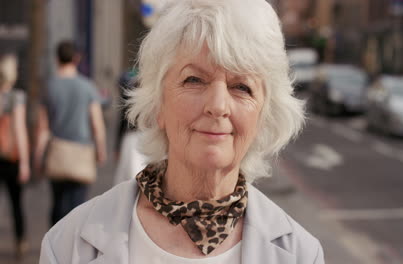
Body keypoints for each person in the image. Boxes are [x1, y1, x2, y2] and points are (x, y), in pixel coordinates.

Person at [39, 1, 325, 263]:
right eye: (195, 79)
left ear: (264, 114)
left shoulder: (302, 255)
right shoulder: (68, 244)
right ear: (158, 103)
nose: (217, 106)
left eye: (241, 87)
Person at [34, 41, 107, 226]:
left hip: (57, 152)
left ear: (57, 58)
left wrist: (37, 156)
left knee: (57, 204)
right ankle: (74, 249)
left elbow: (42, 128)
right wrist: (100, 151)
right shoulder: (88, 86)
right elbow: (97, 124)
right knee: (79, 206)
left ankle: (55, 246)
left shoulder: (49, 86)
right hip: (81, 153)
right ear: (77, 58)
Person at [0, 53, 30, 258]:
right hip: (11, 157)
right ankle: (20, 241)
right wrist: (25, 163)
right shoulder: (16, 97)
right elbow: (19, 130)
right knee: (16, 202)